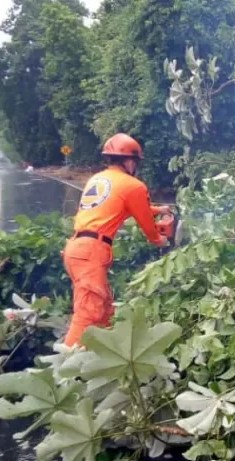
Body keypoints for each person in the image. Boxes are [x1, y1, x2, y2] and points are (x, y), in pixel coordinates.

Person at [62, 133, 170, 347]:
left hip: (76, 248)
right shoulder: (133, 185)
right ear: (130, 161)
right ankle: (64, 370)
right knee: (88, 312)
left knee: (104, 311)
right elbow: (149, 229)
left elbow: (121, 206)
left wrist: (159, 209)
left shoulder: (99, 179)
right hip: (92, 252)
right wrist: (161, 240)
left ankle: (106, 357)